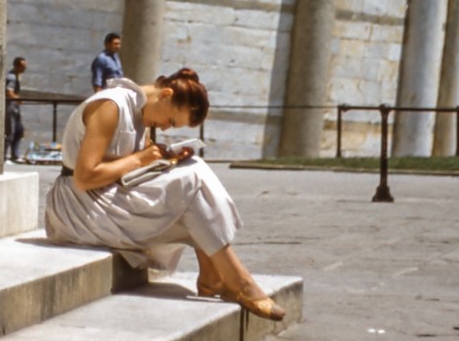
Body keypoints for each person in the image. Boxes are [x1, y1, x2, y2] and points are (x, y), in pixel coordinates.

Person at [45, 68, 285, 322]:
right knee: (192, 182)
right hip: (78, 207)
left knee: (193, 170)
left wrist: (166, 157)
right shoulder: (110, 106)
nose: (165, 127)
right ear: (166, 95)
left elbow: (124, 162)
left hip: (104, 198)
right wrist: (139, 159)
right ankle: (237, 282)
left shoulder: (139, 110)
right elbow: (84, 177)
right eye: (171, 121)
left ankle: (213, 276)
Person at [5, 56, 27, 162]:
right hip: (10, 108)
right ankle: (3, 156)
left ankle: (15, 155)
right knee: (10, 132)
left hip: (15, 108)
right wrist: (18, 99)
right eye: (23, 67)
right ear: (17, 66)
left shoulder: (17, 76)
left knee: (19, 131)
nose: (24, 69)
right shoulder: (12, 77)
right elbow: (8, 91)